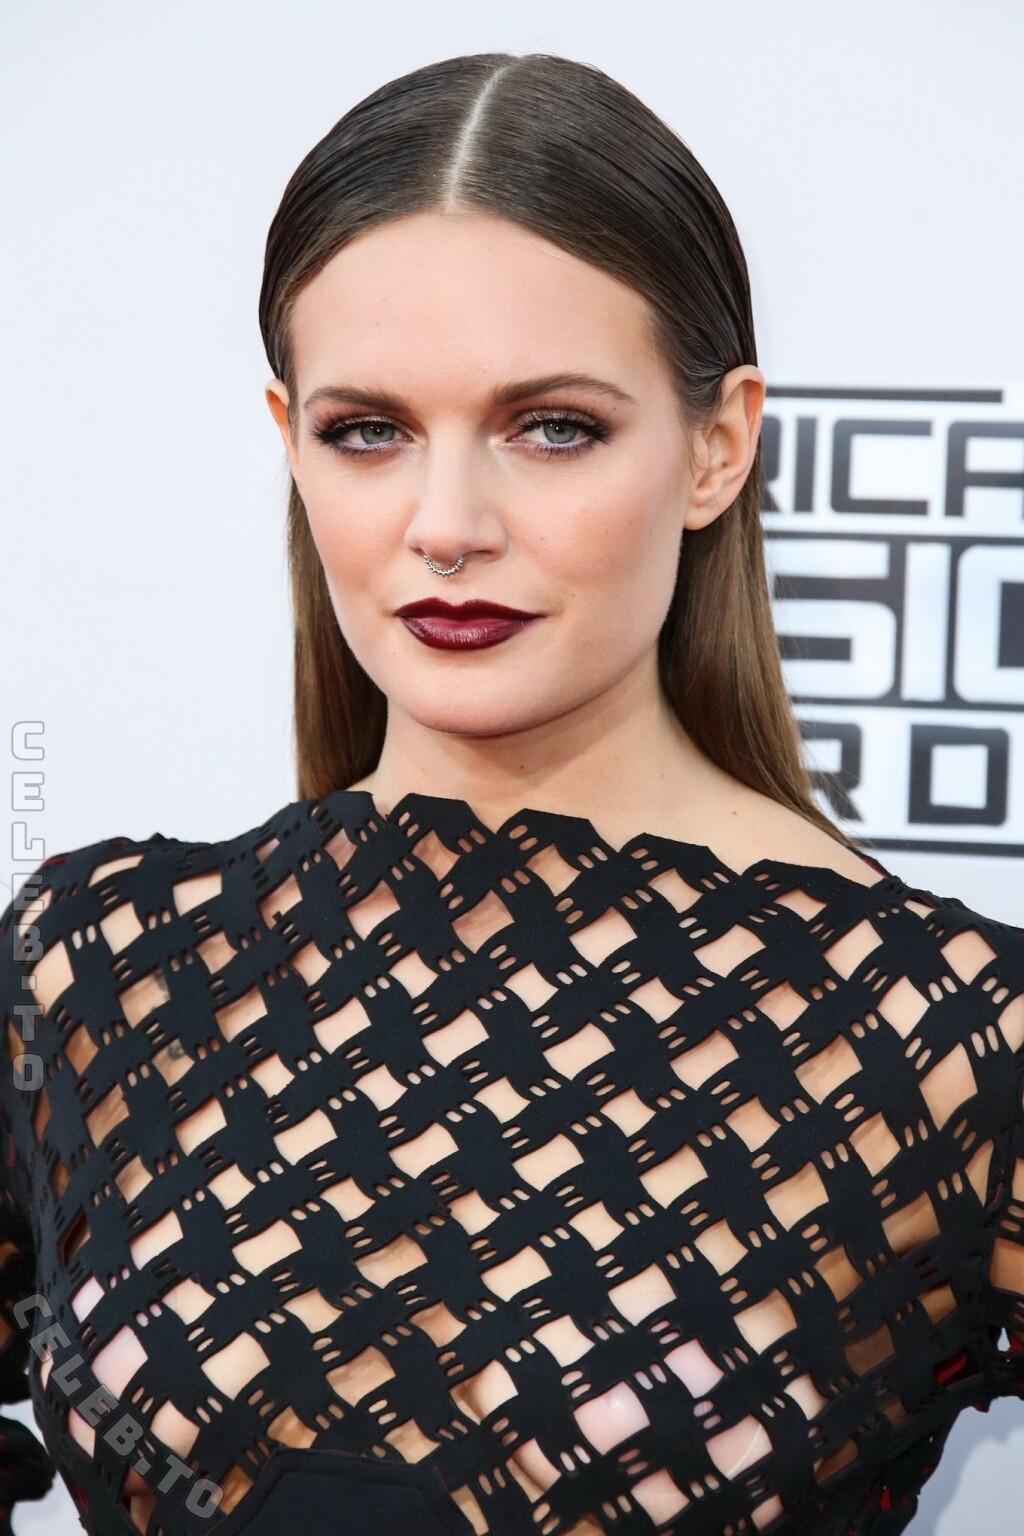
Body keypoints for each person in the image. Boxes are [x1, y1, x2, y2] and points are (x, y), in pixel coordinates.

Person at [2, 49, 1023, 1536]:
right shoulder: (104, 968)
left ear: (718, 447)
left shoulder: (944, 1041)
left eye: (554, 427)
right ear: (290, 443)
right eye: (369, 431)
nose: (449, 525)